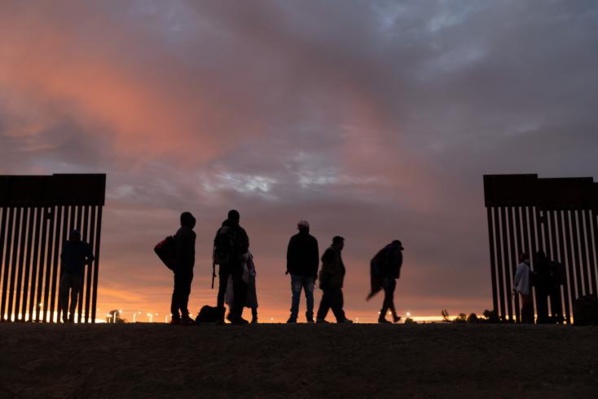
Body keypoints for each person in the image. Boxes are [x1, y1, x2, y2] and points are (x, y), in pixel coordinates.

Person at [214, 210, 250, 325]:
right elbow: (245, 247)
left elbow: (215, 244)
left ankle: (220, 318)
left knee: (222, 290)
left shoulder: (221, 230)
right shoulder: (240, 231)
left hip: (224, 263)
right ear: (238, 218)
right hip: (236, 263)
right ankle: (236, 316)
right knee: (238, 289)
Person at [286, 220, 319, 323]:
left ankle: (294, 316)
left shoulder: (294, 239)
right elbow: (315, 258)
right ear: (308, 228)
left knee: (296, 295)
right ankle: (309, 316)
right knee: (309, 295)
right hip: (309, 274)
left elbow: (289, 255)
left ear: (299, 228)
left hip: (296, 273)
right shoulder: (313, 240)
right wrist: (315, 273)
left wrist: (289, 268)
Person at [59, 229, 95, 323]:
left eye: (76, 237)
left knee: (74, 295)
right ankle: (65, 314)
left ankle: (71, 315)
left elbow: (91, 257)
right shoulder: (67, 245)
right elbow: (62, 256)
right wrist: (64, 264)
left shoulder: (83, 246)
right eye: (73, 236)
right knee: (63, 293)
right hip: (67, 272)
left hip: (77, 273)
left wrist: (83, 263)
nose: (74, 238)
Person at [316, 236, 352, 324]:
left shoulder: (335, 252)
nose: (343, 245)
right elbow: (325, 261)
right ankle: (341, 318)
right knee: (337, 301)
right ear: (338, 243)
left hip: (333, 281)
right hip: (331, 282)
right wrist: (331, 272)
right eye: (342, 243)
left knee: (327, 301)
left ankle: (320, 318)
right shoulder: (331, 252)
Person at [366, 240, 404, 324]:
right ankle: (382, 317)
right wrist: (387, 275)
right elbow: (389, 263)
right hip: (388, 277)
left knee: (389, 297)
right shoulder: (393, 250)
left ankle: (394, 316)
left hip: (384, 277)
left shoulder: (386, 250)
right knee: (389, 297)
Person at [170, 211, 196, 326]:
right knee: (185, 291)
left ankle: (175, 315)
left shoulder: (179, 233)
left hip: (178, 266)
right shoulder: (190, 233)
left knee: (177, 290)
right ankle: (184, 315)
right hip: (186, 266)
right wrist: (190, 265)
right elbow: (189, 252)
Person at [513, 252, 533, 324]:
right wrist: (515, 284)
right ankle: (525, 319)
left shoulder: (524, 266)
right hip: (523, 287)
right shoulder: (523, 266)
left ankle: (525, 319)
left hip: (523, 287)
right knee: (526, 303)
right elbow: (517, 275)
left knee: (526, 303)